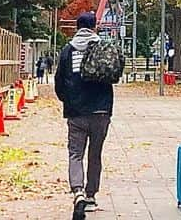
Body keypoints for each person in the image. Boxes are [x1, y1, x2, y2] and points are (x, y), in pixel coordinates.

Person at [55, 11, 114, 214]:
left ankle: (77, 191)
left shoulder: (67, 50)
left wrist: (68, 101)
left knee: (75, 154)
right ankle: (91, 195)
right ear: (95, 27)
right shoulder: (104, 48)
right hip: (101, 110)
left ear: (77, 27)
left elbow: (59, 82)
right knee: (95, 154)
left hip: (77, 112)